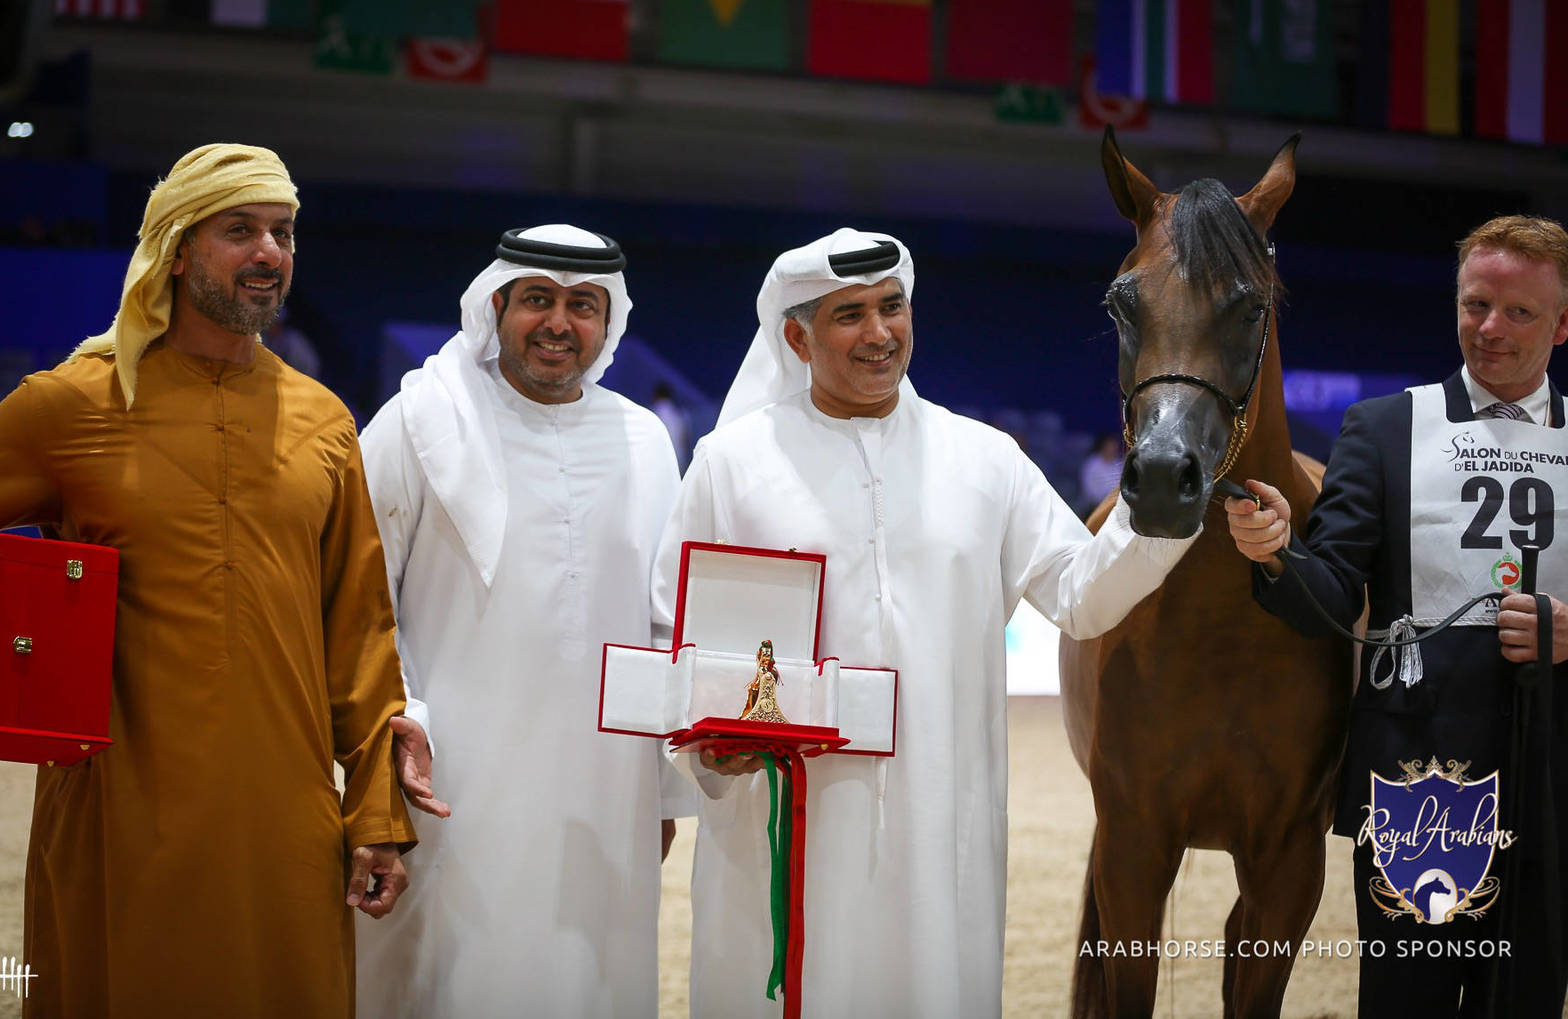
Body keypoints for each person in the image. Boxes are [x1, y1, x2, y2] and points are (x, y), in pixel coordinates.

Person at [651, 228, 1197, 1017]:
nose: (879, 333)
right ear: (797, 337)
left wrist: (1166, 515)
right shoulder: (732, 463)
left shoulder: (986, 461)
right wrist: (708, 746)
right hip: (783, 830)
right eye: (850, 315)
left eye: (892, 306)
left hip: (943, 828)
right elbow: (680, 630)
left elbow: (1081, 593)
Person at [0, 143, 416, 1017]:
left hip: (283, 818)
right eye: (239, 229)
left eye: (283, 233)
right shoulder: (71, 404)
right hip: (117, 811)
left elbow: (359, 632)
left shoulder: (322, 419)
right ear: (176, 249)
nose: (269, 253)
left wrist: (375, 815)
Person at [1226, 214, 1568, 1016]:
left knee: (1526, 997)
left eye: (1520, 312)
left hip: (1556, 771)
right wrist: (1277, 551)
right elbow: (1335, 594)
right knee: (1403, 1001)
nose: (1491, 328)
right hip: (1420, 780)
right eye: (1476, 303)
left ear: (1562, 322)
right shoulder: (1383, 428)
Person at [353, 224, 689, 1017]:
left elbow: (662, 622)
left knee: (589, 976)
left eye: (583, 305)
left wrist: (664, 794)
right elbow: (361, 604)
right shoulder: (418, 421)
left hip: (604, 797)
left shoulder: (644, 440)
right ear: (496, 304)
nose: (558, 322)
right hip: (447, 782)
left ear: (610, 323)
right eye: (537, 299)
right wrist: (399, 731)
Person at [1079, 431, 1124, 511]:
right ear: (1103, 446)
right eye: (1110, 445)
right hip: (1094, 507)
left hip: (1115, 506)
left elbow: (1121, 486)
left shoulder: (1119, 464)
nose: (1113, 448)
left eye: (1114, 445)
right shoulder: (1092, 463)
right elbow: (1089, 489)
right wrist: (1106, 500)